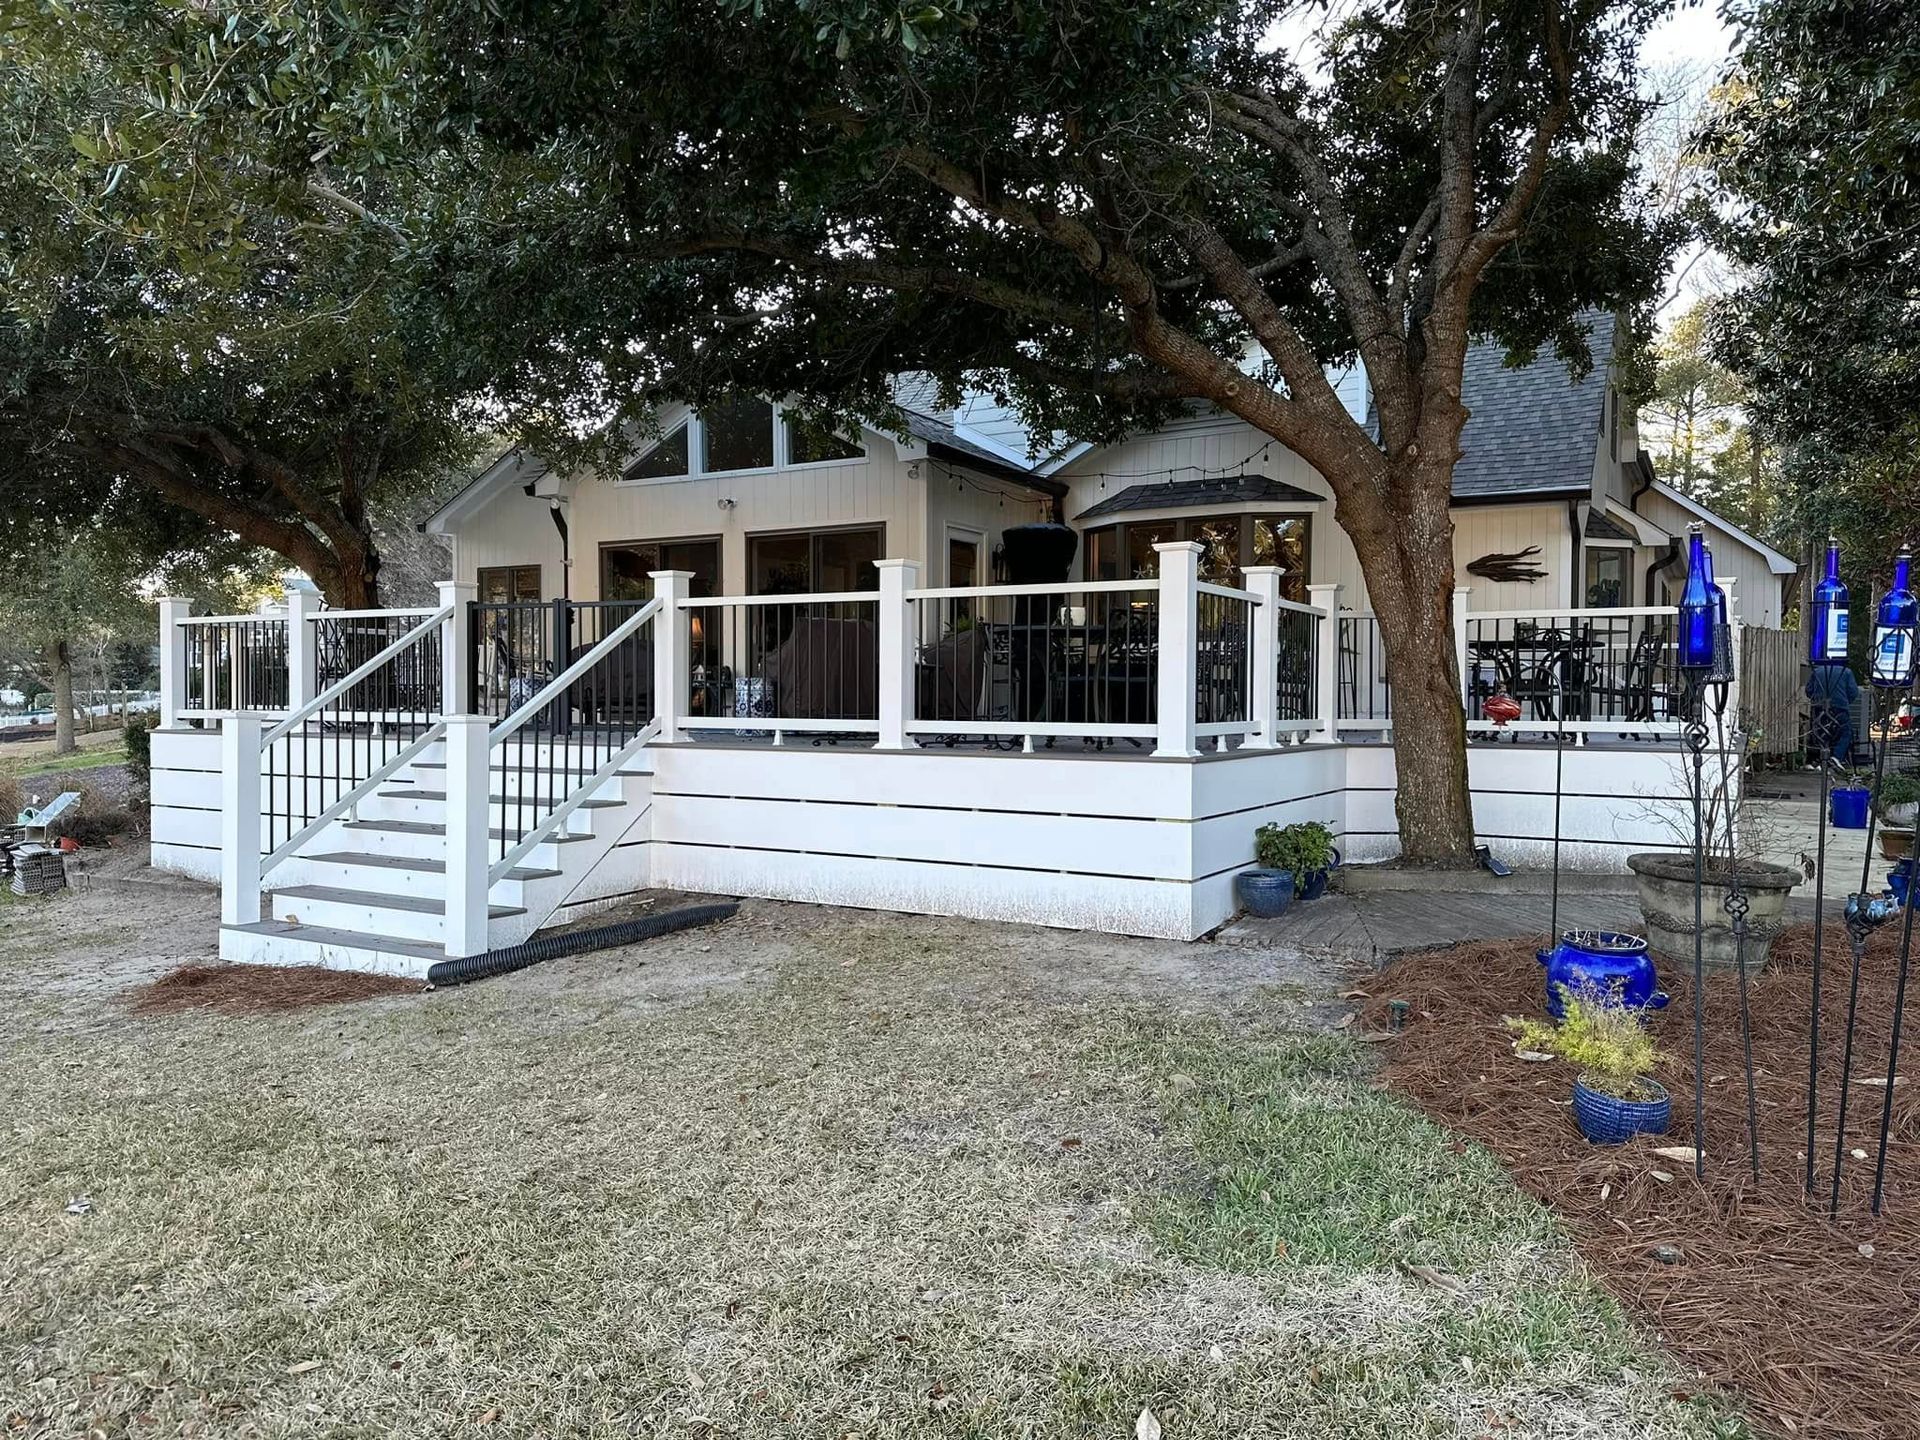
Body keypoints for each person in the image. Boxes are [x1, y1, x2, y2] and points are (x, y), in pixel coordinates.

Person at [1807, 661, 1860, 765]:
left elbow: (1809, 690)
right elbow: (1853, 692)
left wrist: (1817, 698)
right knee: (1846, 732)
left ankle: (1819, 760)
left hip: (1819, 707)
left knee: (1820, 733)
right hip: (1840, 707)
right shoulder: (1846, 672)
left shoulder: (1817, 671)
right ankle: (1836, 757)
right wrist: (1845, 701)